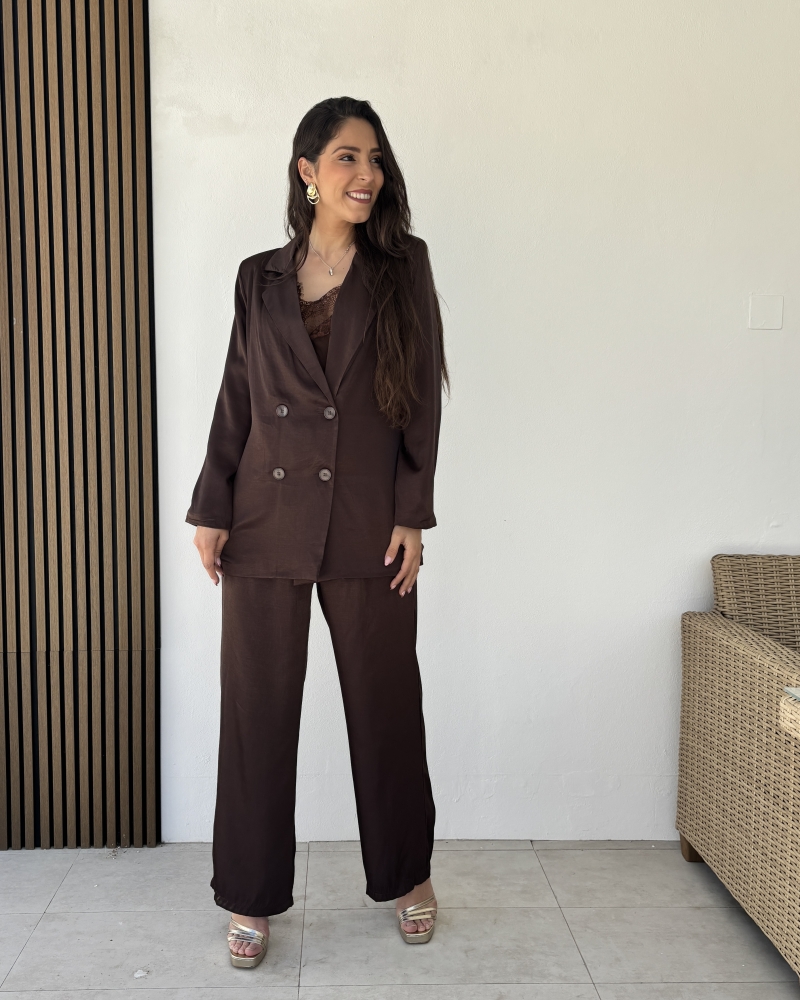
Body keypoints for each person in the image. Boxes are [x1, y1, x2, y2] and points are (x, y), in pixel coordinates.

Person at [186, 96, 449, 968]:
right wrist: (212, 507)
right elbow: (238, 393)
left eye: (374, 158)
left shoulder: (403, 265)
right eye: (346, 157)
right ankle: (250, 892)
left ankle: (407, 875)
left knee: (385, 704)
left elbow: (420, 397)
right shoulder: (257, 276)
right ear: (307, 171)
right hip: (263, 519)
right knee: (255, 712)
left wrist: (412, 512)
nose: (366, 174)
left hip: (370, 523)